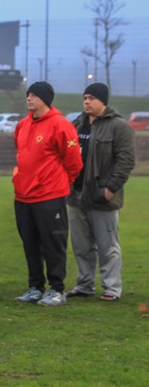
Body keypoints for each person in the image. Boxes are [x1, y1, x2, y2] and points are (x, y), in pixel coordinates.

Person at [12, 82, 83, 306]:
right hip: (23, 195)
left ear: (45, 99)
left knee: (53, 243)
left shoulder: (61, 125)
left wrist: (61, 182)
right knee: (29, 243)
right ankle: (35, 287)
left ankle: (56, 289)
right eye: (28, 94)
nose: (29, 98)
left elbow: (74, 162)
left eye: (34, 95)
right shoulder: (22, 125)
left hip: (49, 196)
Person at [65, 83, 135, 302]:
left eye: (92, 98)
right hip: (76, 195)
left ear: (103, 101)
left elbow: (126, 161)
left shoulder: (119, 126)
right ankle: (84, 284)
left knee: (107, 247)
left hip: (103, 197)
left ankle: (112, 288)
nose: (87, 102)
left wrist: (111, 189)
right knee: (81, 245)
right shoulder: (77, 124)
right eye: (85, 97)